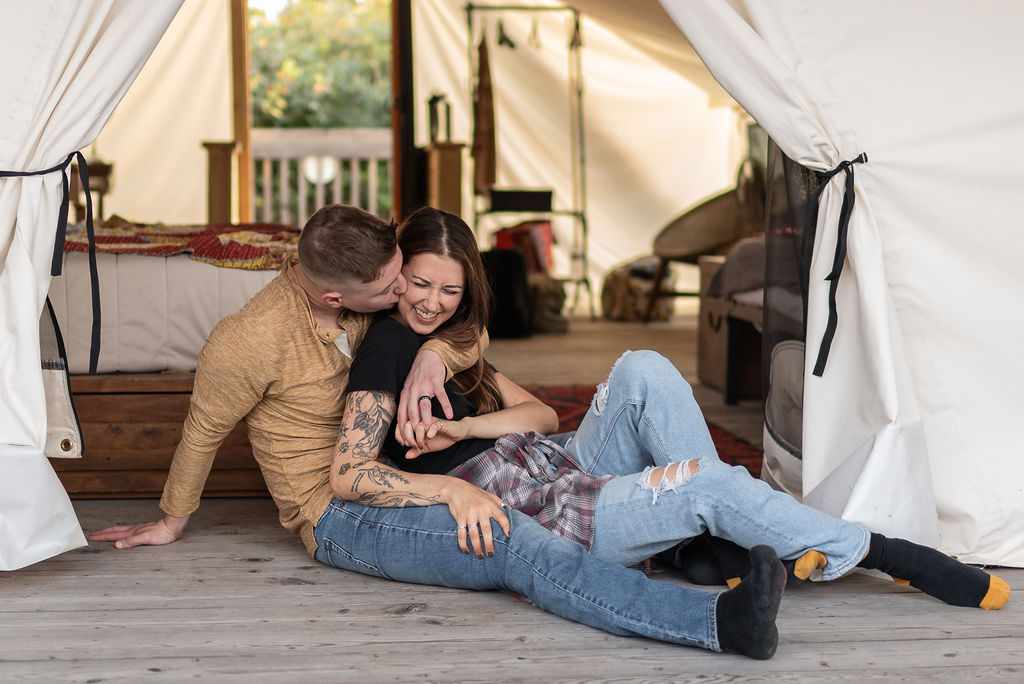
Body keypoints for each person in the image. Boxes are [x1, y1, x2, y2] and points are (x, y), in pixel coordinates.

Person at [89, 203, 789, 660]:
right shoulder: (245, 343)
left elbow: (459, 321)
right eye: (395, 285)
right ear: (336, 296)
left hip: (399, 469)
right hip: (341, 516)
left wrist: (432, 353)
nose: (408, 291)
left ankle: (697, 539)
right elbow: (203, 429)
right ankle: (718, 624)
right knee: (510, 537)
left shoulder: (368, 286)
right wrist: (172, 520)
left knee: (532, 498)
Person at [335, 206, 1010, 617]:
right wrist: (449, 482)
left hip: (551, 461)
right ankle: (886, 553)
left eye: (449, 290)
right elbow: (348, 471)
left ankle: (711, 542)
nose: (431, 301)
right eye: (419, 284)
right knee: (707, 484)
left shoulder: (448, 344)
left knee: (643, 369)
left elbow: (541, 418)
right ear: (393, 277)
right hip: (540, 508)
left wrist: (461, 423)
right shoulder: (387, 348)